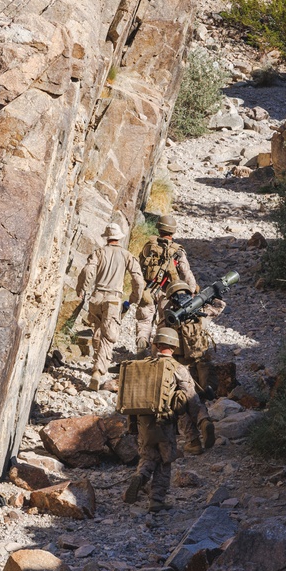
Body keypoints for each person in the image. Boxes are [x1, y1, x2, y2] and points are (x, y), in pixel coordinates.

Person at [124, 327, 213, 512]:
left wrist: (131, 425)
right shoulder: (178, 368)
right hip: (165, 423)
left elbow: (131, 395)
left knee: (148, 455)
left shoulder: (141, 366)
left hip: (143, 423)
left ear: (156, 344)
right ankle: (157, 500)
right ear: (174, 346)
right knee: (165, 460)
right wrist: (201, 419)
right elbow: (191, 398)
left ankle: (140, 476)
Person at [76, 223, 146, 391]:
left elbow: (87, 271)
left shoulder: (99, 253)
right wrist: (134, 298)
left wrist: (81, 289)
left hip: (96, 297)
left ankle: (96, 362)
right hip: (113, 300)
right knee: (109, 335)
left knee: (98, 329)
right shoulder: (126, 255)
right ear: (119, 238)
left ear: (107, 237)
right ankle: (98, 371)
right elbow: (138, 279)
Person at [135, 214, 197, 351]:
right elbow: (186, 272)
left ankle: (141, 343)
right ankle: (158, 353)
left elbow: (140, 266)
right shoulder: (178, 251)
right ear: (173, 231)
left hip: (148, 289)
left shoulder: (149, 246)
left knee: (144, 320)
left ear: (159, 228)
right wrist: (192, 291)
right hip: (167, 292)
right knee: (164, 322)